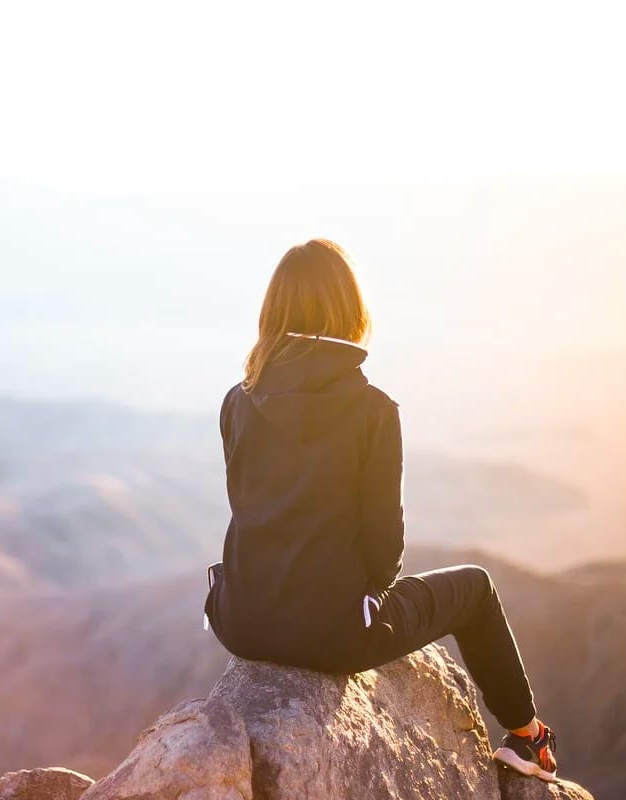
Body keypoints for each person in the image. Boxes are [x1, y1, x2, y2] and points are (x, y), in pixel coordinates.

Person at [203, 238, 559, 782]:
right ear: (350, 311)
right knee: (477, 588)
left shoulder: (237, 399)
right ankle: (527, 736)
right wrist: (362, 599)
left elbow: (248, 506)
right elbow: (384, 551)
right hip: (333, 635)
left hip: (240, 620)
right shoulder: (372, 410)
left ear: (271, 312)